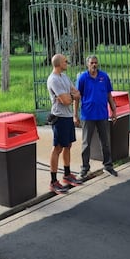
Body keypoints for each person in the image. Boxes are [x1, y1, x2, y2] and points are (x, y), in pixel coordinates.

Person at [74, 55, 119, 179]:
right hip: (88, 115)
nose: (94, 65)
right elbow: (77, 97)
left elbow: (109, 95)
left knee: (105, 141)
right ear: (87, 64)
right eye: (92, 63)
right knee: (86, 143)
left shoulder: (104, 77)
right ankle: (84, 168)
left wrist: (114, 111)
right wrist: (75, 115)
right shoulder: (83, 78)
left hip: (102, 114)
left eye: (96, 63)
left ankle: (108, 166)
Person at [46, 53, 83, 194]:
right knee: (58, 148)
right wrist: (69, 97)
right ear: (58, 64)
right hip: (59, 117)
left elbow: (76, 94)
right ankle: (53, 181)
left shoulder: (65, 77)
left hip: (67, 116)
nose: (67, 62)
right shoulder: (53, 80)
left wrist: (70, 96)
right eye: (65, 61)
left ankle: (67, 175)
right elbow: (66, 100)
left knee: (68, 145)